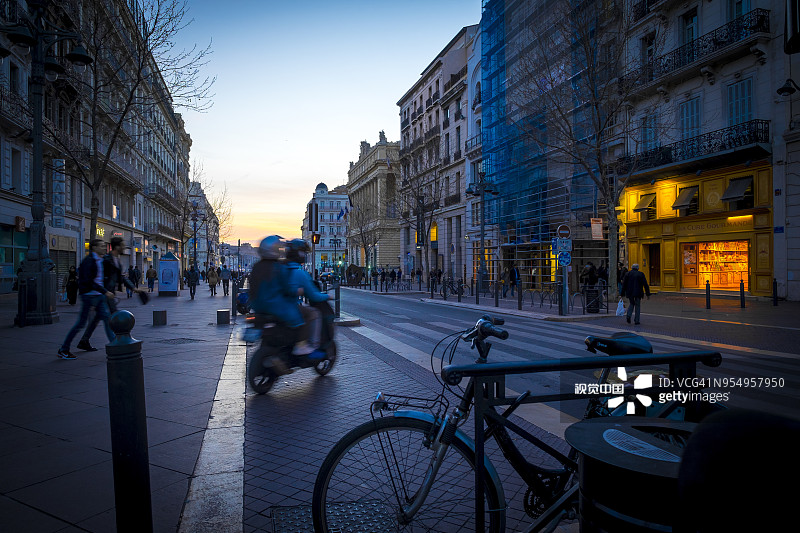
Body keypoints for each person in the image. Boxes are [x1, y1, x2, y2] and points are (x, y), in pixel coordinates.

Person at [249, 236, 307, 370]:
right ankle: (299, 347)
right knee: (299, 321)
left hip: (257, 306)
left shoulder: (256, 267)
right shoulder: (278, 267)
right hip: (275, 306)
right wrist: (297, 291)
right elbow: (287, 288)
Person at [58, 239, 116, 359]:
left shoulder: (100, 260)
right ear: (94, 248)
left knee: (107, 319)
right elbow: (88, 281)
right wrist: (105, 291)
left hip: (98, 295)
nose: (104, 248)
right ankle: (64, 349)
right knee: (81, 323)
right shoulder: (89, 261)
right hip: (89, 295)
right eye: (101, 246)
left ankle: (115, 346)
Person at [285, 239, 330, 355]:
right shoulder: (300, 273)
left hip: (278, 306)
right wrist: (326, 296)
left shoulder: (281, 269)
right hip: (290, 307)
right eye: (304, 253)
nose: (305, 255)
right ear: (300, 254)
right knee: (314, 314)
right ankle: (312, 345)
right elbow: (313, 295)